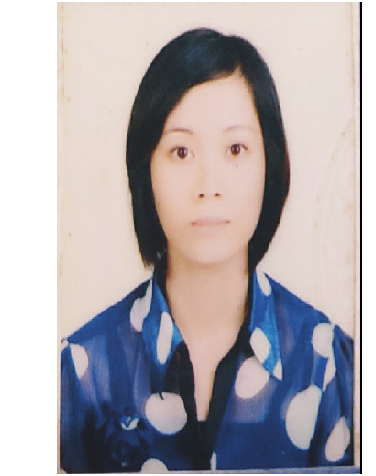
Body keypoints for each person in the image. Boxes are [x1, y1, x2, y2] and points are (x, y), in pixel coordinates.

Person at [60, 27, 354, 472]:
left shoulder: (329, 365)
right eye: (181, 152)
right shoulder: (80, 373)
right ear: (145, 170)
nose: (209, 186)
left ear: (270, 165)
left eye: (235, 149)